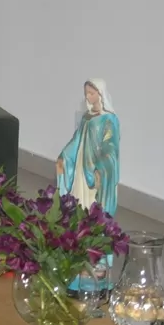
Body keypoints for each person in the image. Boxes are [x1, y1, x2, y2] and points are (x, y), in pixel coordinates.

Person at [57, 78, 120, 295]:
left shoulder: (109, 120)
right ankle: (79, 262)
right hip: (80, 177)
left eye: (92, 93)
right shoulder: (86, 118)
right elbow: (76, 142)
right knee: (79, 215)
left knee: (95, 217)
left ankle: (97, 265)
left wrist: (101, 168)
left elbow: (110, 148)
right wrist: (64, 158)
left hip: (95, 177)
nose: (88, 97)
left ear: (100, 95)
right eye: (86, 93)